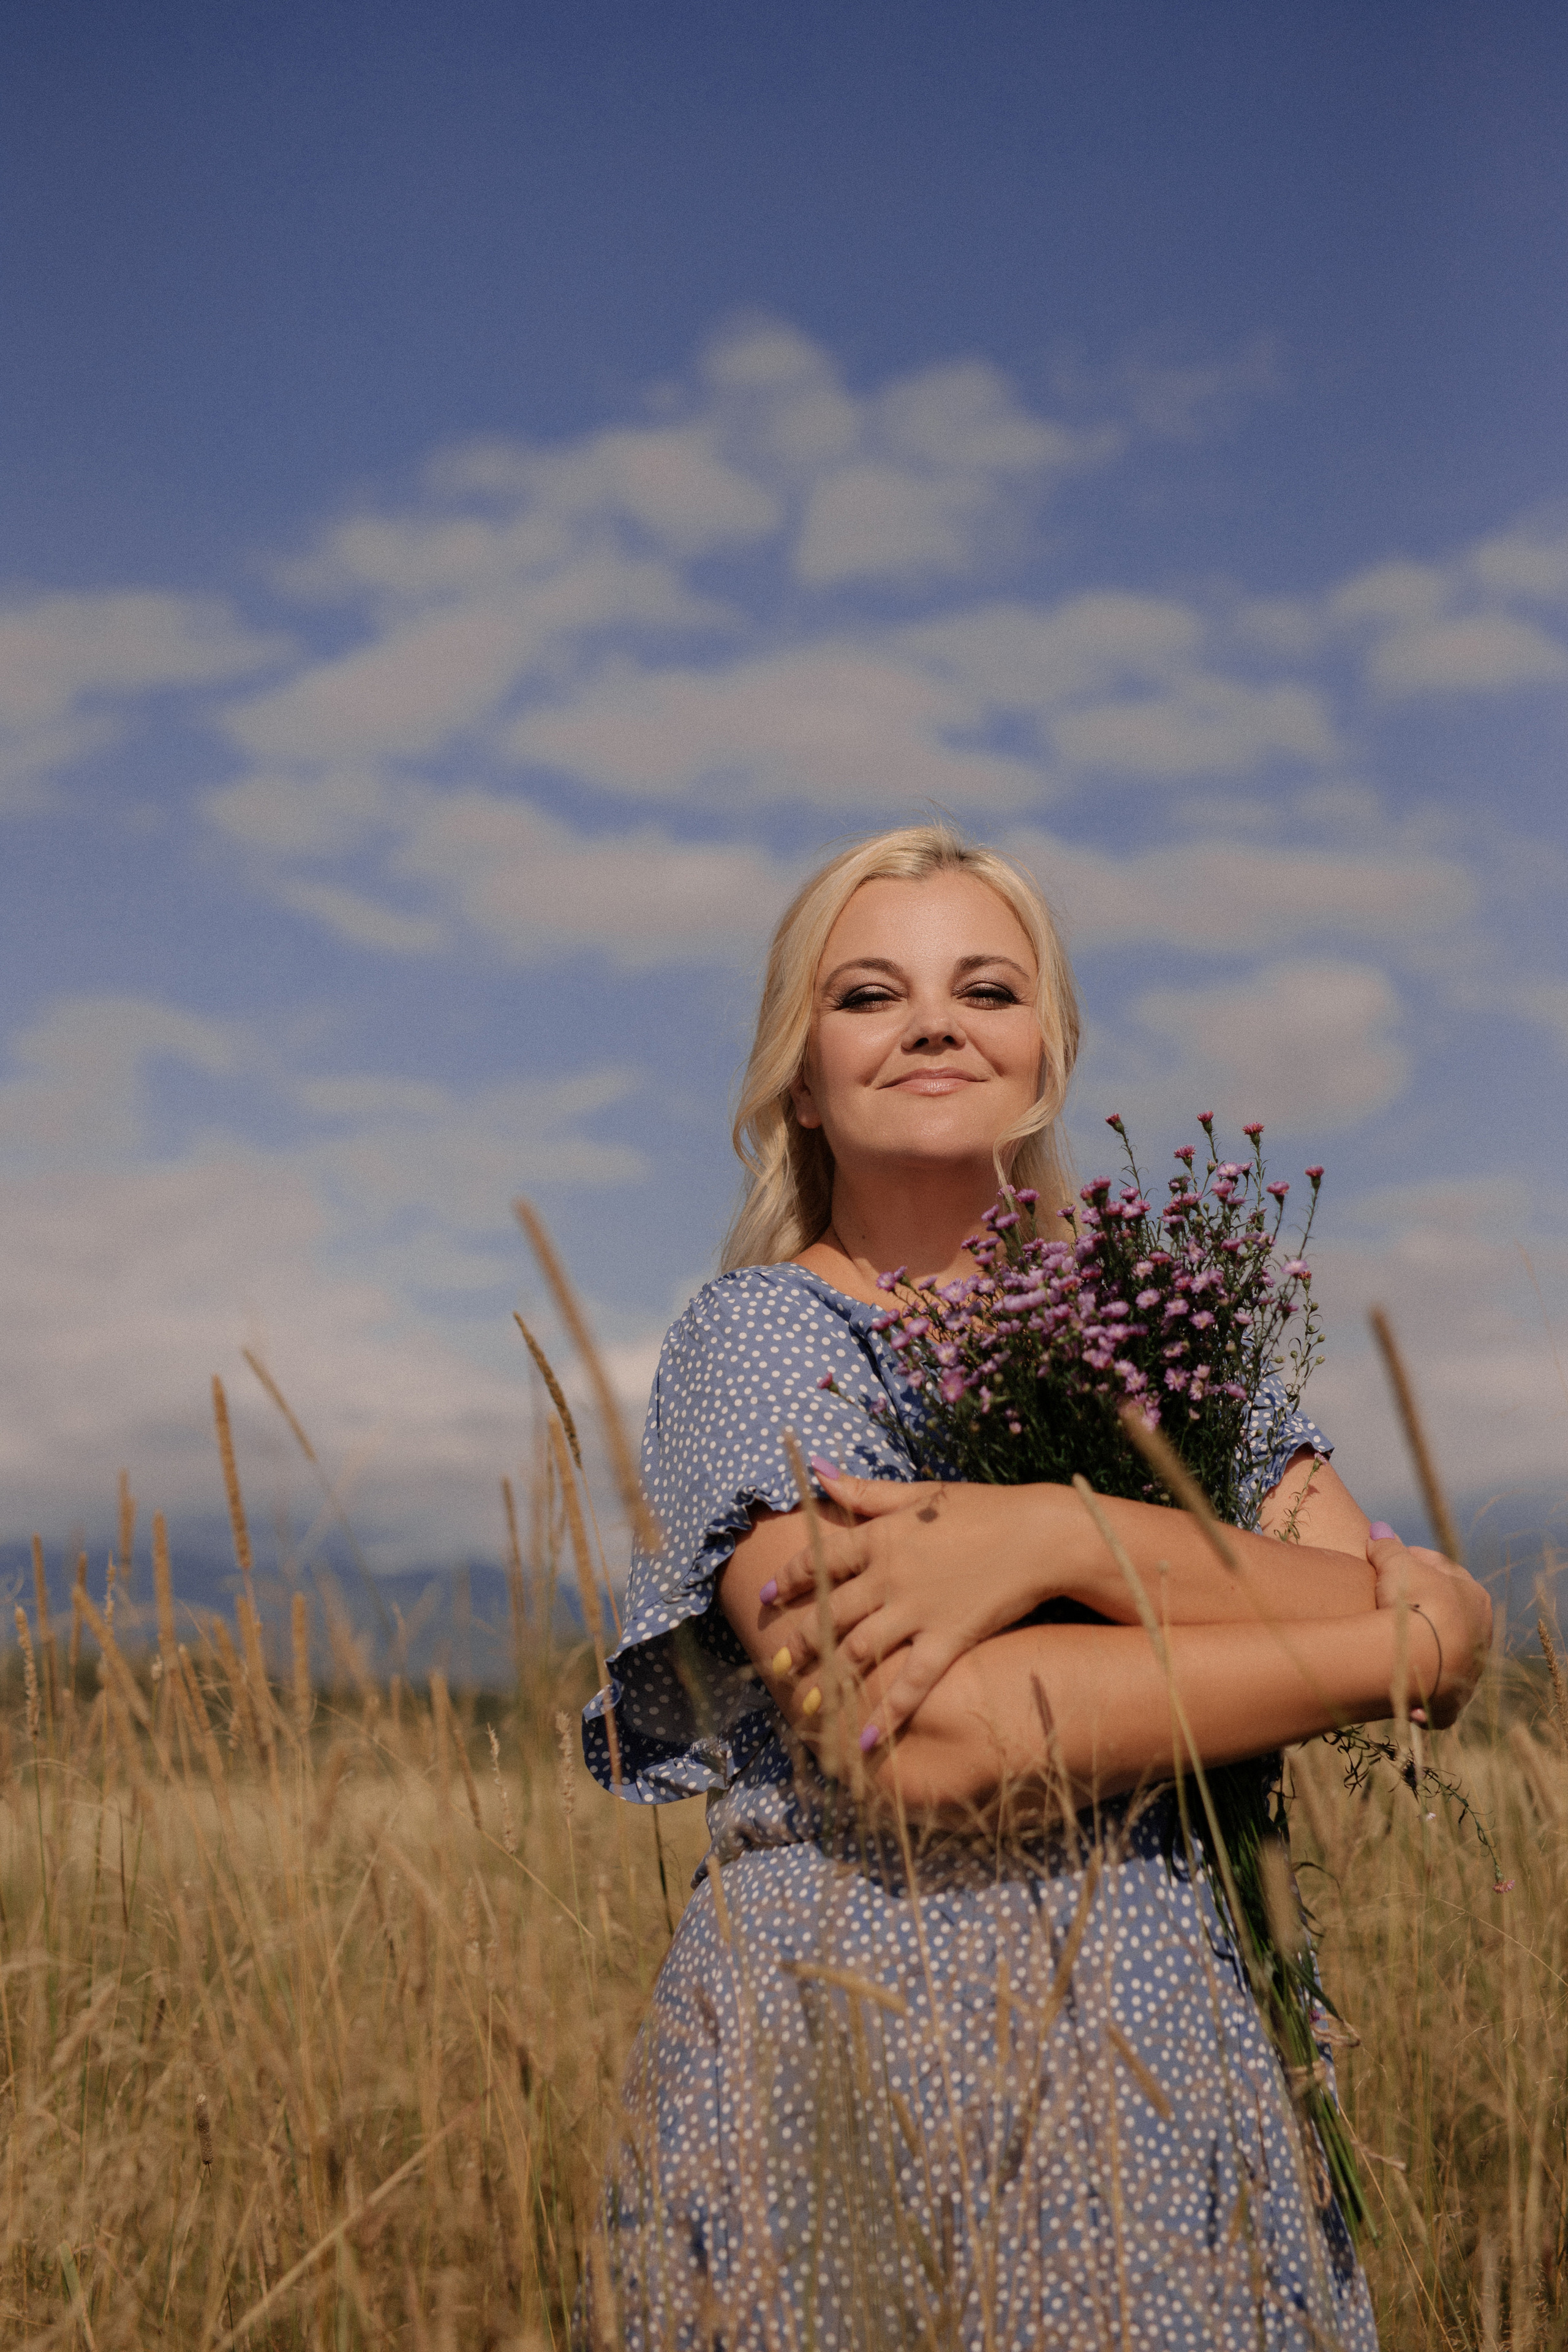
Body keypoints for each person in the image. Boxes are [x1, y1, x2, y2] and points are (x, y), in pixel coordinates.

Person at [581, 823, 1490, 2351]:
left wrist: (1064, 1539)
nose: (934, 1020)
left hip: (1178, 2078)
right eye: (869, 994)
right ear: (799, 1076)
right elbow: (924, 1740)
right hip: (864, 2075)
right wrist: (1362, 1645)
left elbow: (1454, 1620)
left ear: (1047, 1055)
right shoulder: (760, 1341)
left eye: (984, 987)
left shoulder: (1153, 1345)